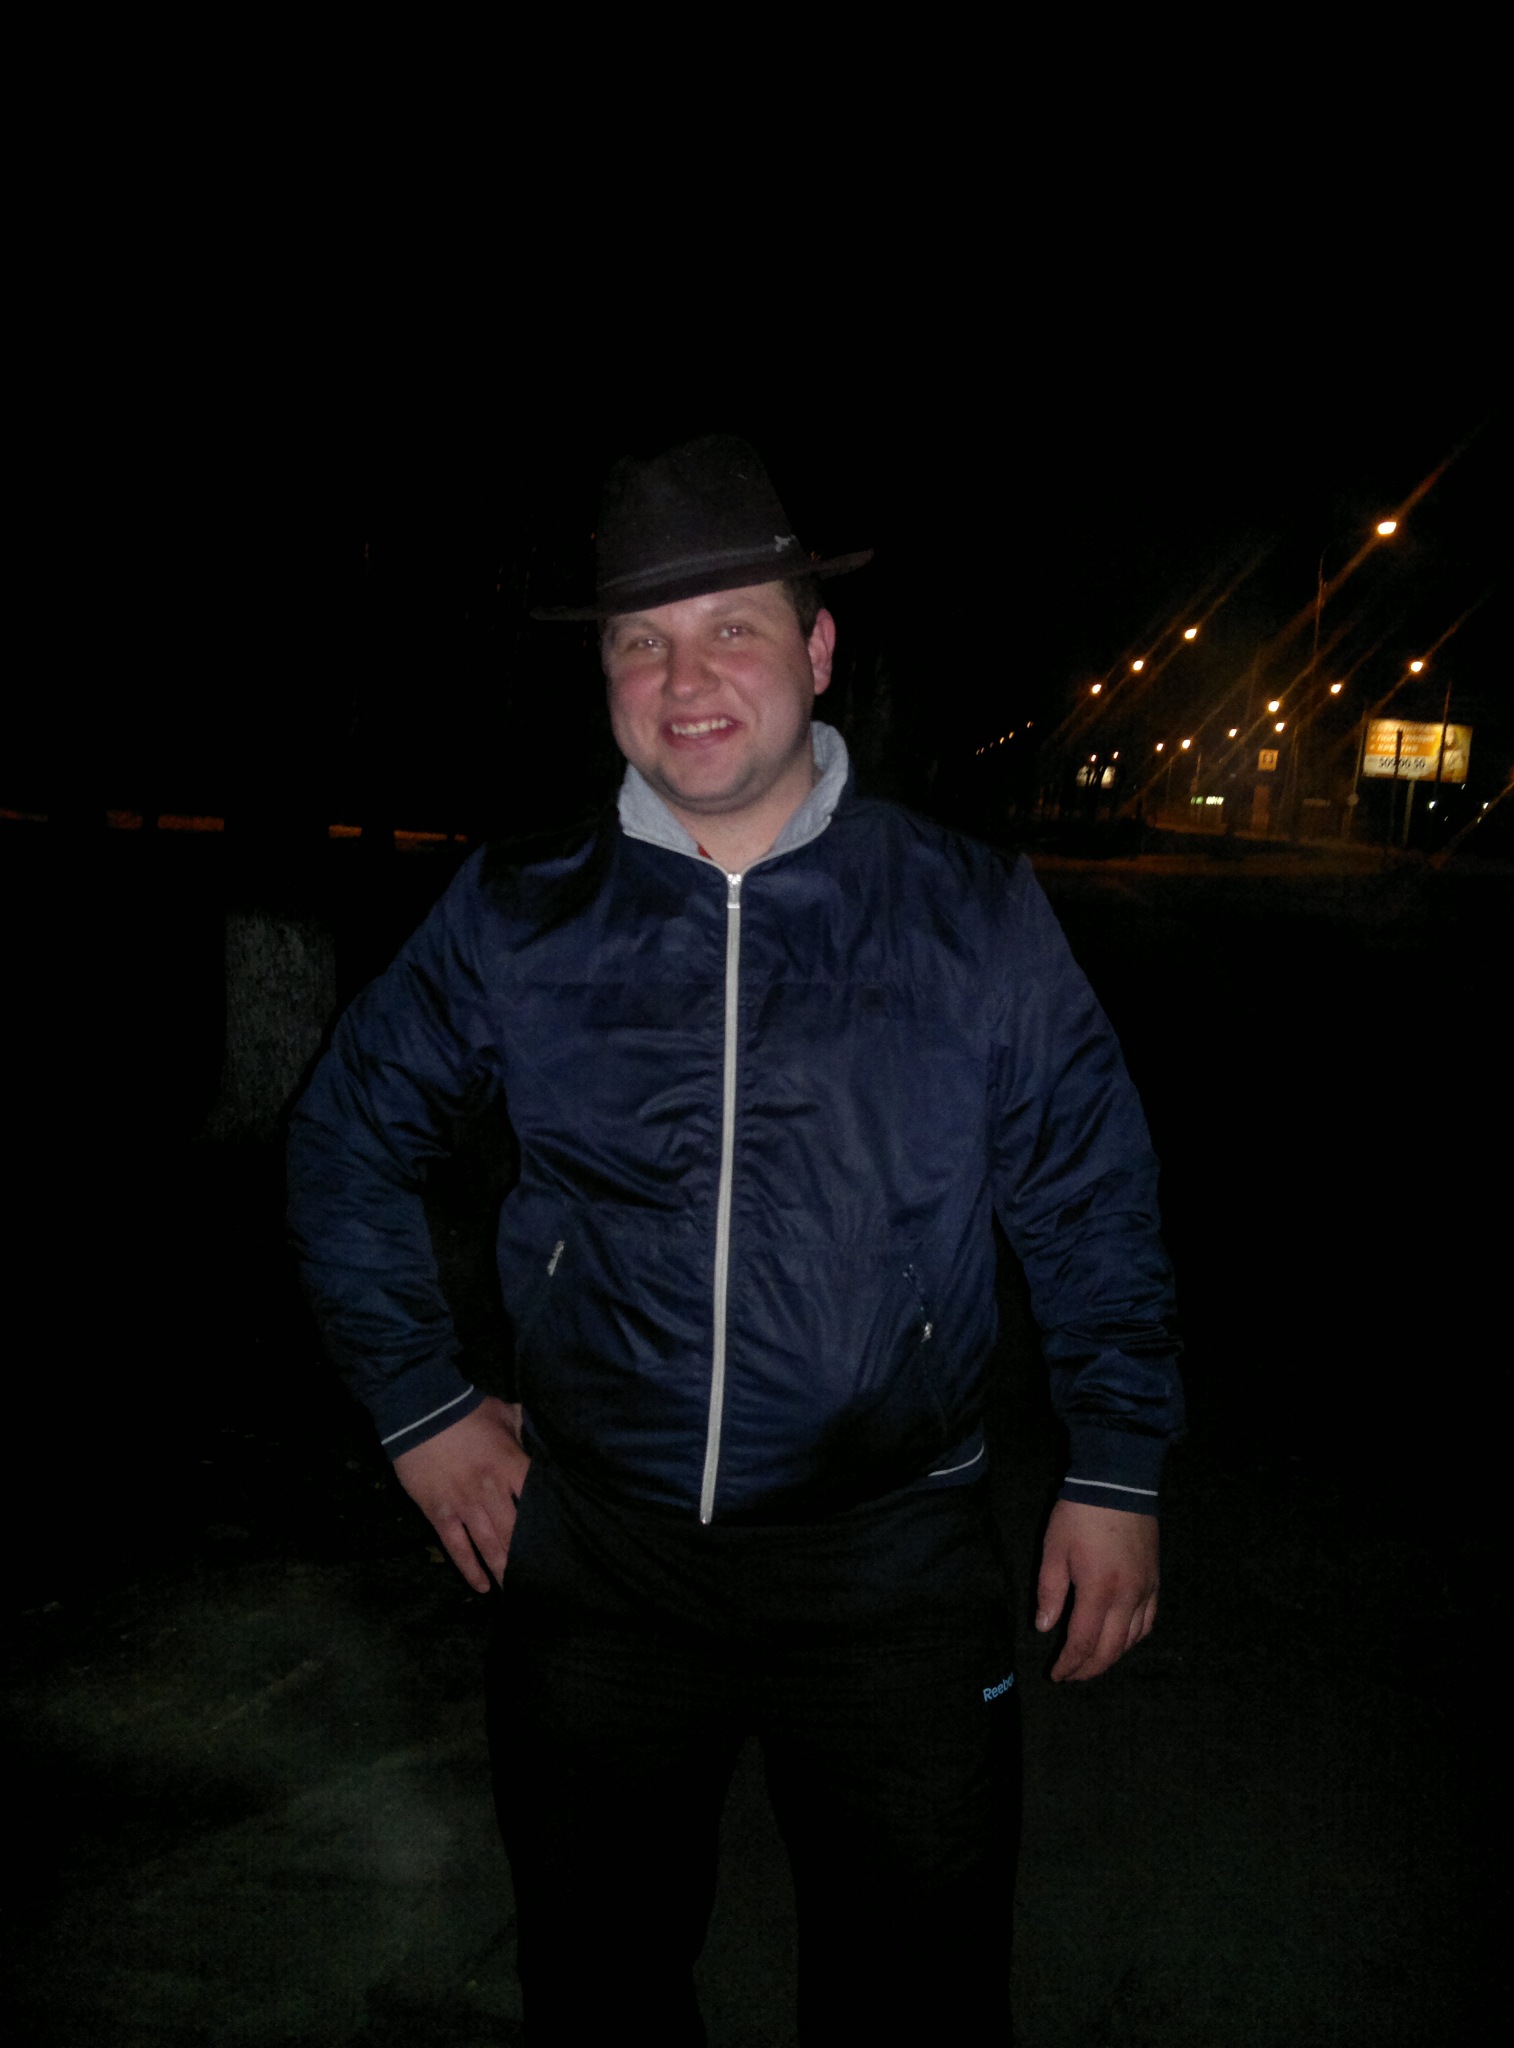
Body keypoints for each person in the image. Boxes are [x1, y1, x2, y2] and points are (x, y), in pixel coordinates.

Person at [287, 434, 1183, 2045]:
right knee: (599, 1987)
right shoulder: (520, 911)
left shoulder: (969, 910)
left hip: (896, 1568)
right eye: (642, 641)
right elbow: (348, 1139)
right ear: (607, 681)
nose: (684, 680)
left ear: (818, 651)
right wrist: (421, 1410)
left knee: (916, 2000)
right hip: (601, 1572)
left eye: (731, 630)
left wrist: (1117, 1464)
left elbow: (1089, 1189)